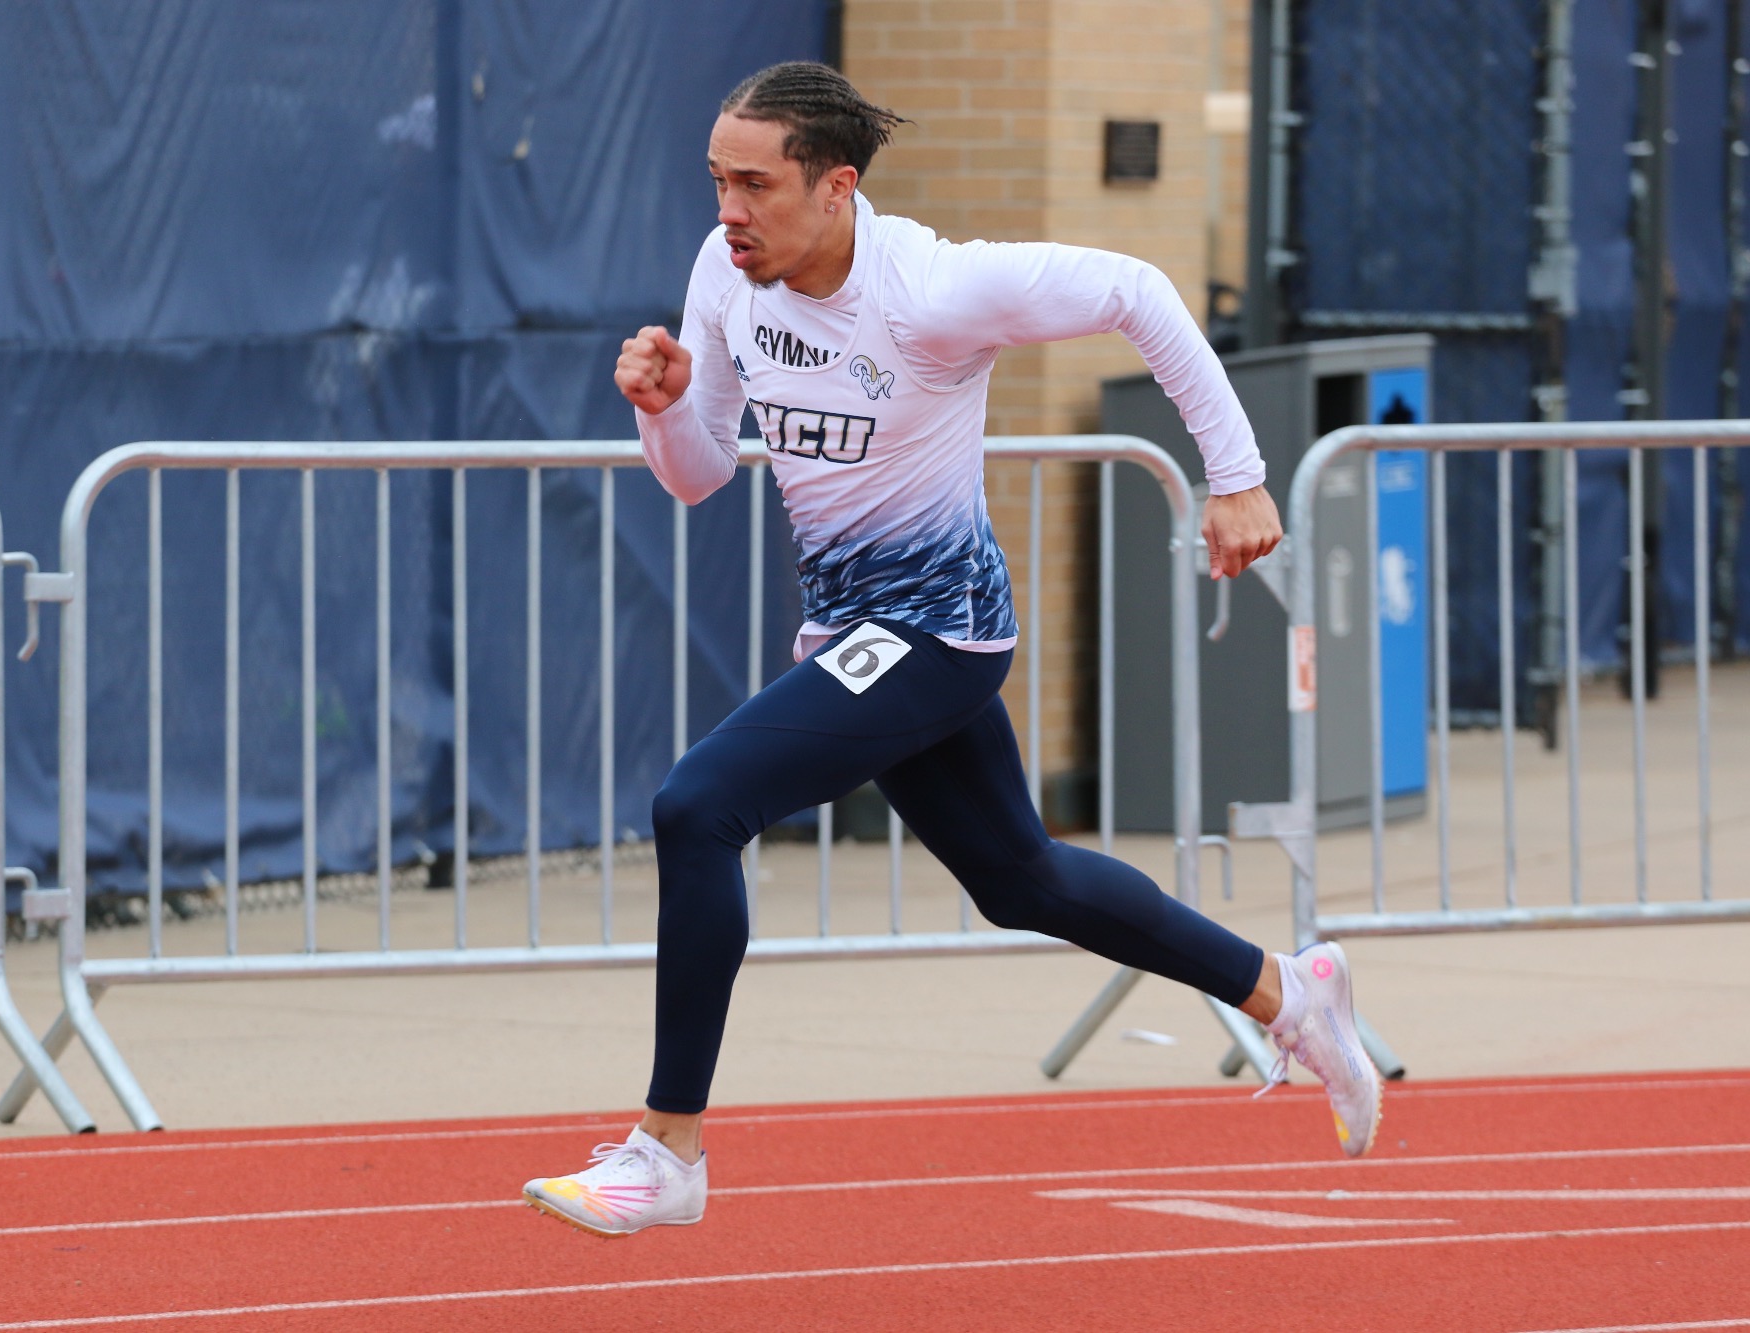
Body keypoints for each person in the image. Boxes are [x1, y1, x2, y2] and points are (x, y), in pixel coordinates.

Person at [523, 62, 1380, 1240]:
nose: (727, 210)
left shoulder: (930, 289)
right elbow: (698, 474)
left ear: (834, 187)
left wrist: (1234, 477)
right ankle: (1290, 992)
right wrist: (663, 408)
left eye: (754, 184)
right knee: (1021, 880)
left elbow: (1135, 289)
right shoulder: (726, 272)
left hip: (935, 628)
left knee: (698, 804)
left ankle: (667, 1151)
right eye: (716, 180)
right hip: (851, 631)